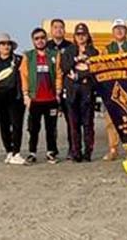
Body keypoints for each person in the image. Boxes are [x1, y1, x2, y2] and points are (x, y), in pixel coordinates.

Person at [21, 27, 62, 164]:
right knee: (33, 128)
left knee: (51, 128)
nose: (40, 41)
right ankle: (32, 152)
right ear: (33, 40)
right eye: (36, 38)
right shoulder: (29, 56)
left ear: (46, 38)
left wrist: (58, 92)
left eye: (42, 38)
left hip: (50, 99)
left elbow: (58, 75)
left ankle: (51, 152)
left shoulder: (54, 55)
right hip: (35, 99)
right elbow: (24, 76)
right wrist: (26, 94)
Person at [0, 33, 27, 165]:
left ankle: (16, 152)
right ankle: (9, 151)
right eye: (3, 44)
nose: (6, 47)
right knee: (4, 125)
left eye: (8, 44)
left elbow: (26, 76)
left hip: (17, 98)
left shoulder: (20, 60)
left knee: (17, 125)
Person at [61, 23, 99, 162]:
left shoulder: (94, 52)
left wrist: (79, 75)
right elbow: (65, 67)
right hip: (72, 91)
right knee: (73, 123)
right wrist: (77, 59)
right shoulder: (69, 51)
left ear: (88, 36)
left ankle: (88, 152)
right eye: (78, 34)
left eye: (83, 34)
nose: (81, 37)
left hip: (87, 90)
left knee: (88, 123)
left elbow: (94, 71)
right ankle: (76, 152)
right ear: (74, 36)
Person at [101, 18, 127, 161]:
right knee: (111, 120)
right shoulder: (107, 49)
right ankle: (113, 149)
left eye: (122, 28)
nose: (119, 31)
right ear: (113, 32)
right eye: (116, 29)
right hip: (111, 88)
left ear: (126, 31)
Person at [46, 19, 73, 159]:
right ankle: (52, 150)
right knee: (51, 122)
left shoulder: (70, 46)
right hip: (50, 89)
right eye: (56, 27)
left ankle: (72, 149)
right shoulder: (46, 46)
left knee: (71, 120)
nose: (59, 30)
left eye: (61, 27)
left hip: (68, 88)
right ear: (51, 30)